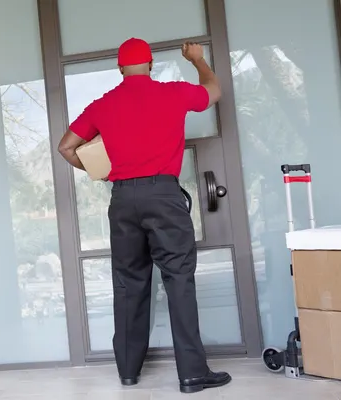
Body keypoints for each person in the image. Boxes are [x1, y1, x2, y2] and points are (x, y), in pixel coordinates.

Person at [57, 38, 232, 394]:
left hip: (123, 199)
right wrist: (198, 60)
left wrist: (101, 172)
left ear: (119, 68)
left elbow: (66, 147)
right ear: (150, 65)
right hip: (163, 196)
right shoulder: (174, 93)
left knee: (129, 283)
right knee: (178, 279)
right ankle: (192, 374)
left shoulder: (102, 105)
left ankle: (128, 371)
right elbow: (214, 91)